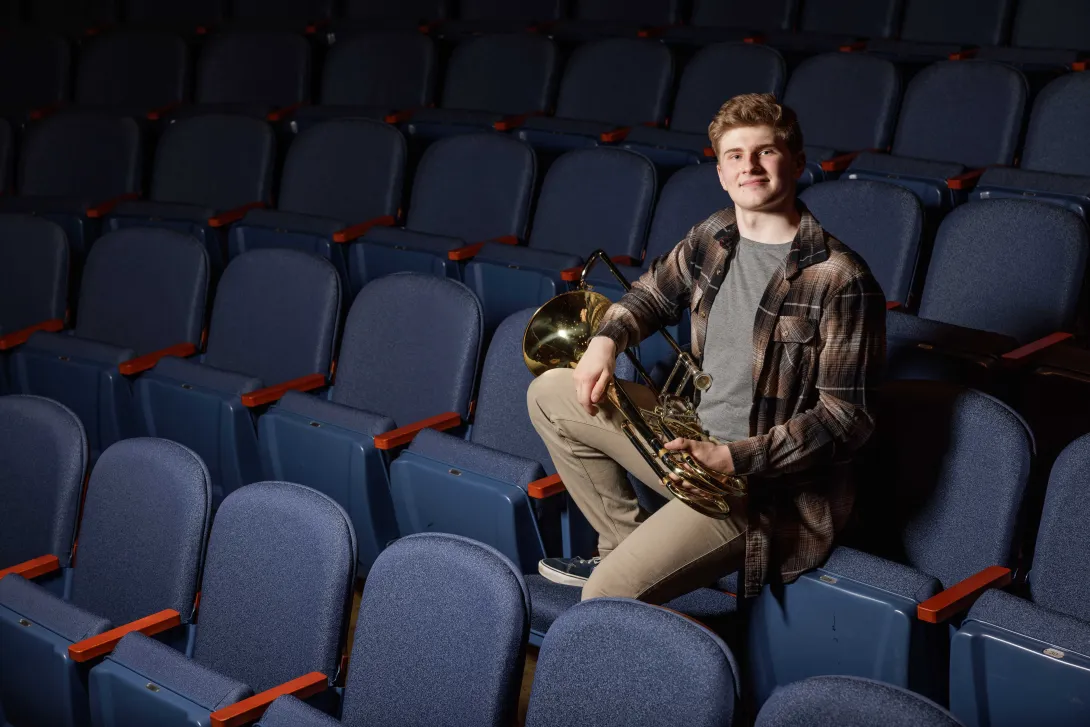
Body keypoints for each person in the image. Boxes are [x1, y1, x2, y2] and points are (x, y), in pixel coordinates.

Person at [527, 93, 886, 602]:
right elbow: (650, 295)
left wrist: (733, 458)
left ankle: (621, 577)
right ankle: (624, 544)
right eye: (735, 156)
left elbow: (848, 419)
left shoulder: (842, 278)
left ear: (798, 163)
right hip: (691, 441)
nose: (750, 166)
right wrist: (605, 340)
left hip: (759, 489)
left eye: (766, 152)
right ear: (721, 173)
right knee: (551, 392)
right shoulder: (713, 235)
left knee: (602, 599)